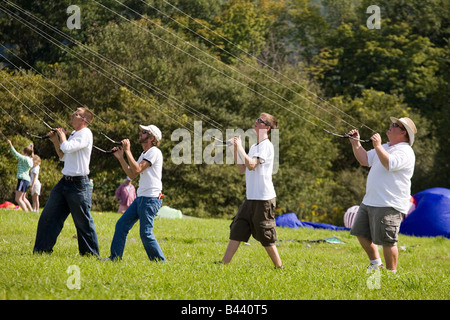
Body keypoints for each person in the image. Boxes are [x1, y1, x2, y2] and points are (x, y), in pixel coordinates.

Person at [348, 117, 417, 273]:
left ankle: (391, 274)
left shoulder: (405, 151)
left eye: (395, 125)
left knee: (388, 241)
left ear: (403, 132)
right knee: (360, 232)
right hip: (370, 201)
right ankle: (375, 263)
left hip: (389, 204)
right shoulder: (386, 146)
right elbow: (365, 160)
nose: (390, 126)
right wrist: (356, 143)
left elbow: (389, 163)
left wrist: (378, 146)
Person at [217, 113, 283, 269]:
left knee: (264, 233)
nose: (256, 121)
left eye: (260, 121)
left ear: (267, 127)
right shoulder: (254, 146)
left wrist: (240, 146)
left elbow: (252, 164)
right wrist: (235, 149)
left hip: (263, 198)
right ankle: (224, 263)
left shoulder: (267, 146)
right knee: (238, 227)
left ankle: (279, 267)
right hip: (251, 197)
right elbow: (242, 168)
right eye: (257, 119)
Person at [33, 108, 100, 257]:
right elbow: (63, 155)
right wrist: (56, 140)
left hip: (78, 185)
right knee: (48, 217)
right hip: (64, 182)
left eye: (75, 113)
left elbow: (67, 147)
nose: (72, 114)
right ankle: (41, 251)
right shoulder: (75, 134)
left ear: (83, 120)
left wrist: (62, 136)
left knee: (83, 222)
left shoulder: (86, 134)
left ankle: (90, 255)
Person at [105, 124, 165, 262]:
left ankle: (160, 262)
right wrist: (121, 157)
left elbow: (137, 169)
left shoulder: (154, 152)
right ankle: (115, 258)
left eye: (144, 132)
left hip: (150, 199)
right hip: (141, 198)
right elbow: (132, 175)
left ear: (151, 137)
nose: (140, 133)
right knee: (121, 225)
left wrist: (127, 151)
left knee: (145, 233)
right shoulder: (144, 154)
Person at [8, 140, 33, 211]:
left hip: (22, 179)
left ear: (25, 152)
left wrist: (10, 145)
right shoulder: (30, 159)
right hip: (27, 180)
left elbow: (16, 154)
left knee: (18, 199)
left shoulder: (24, 158)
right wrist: (31, 146)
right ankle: (32, 211)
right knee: (23, 198)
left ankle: (26, 212)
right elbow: (20, 156)